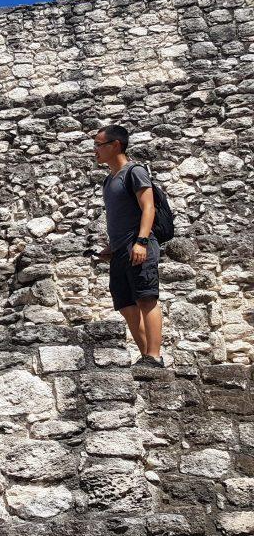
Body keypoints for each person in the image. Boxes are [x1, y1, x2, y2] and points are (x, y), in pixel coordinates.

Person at [93, 125, 164, 368]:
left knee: (146, 299)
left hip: (139, 245)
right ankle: (145, 356)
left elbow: (149, 207)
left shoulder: (134, 172)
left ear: (115, 145)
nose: (95, 151)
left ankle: (154, 356)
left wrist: (141, 241)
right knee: (125, 304)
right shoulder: (108, 180)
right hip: (120, 251)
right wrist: (112, 247)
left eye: (98, 145)